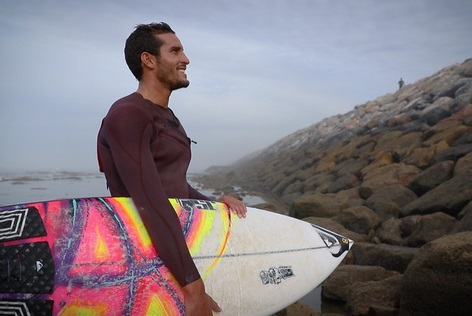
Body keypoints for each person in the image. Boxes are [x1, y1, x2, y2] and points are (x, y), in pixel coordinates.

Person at [97, 22, 247, 315]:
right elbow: (149, 200)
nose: (186, 59)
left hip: (175, 244)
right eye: (175, 51)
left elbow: (172, 184)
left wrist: (212, 203)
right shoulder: (128, 114)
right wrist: (193, 288)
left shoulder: (166, 116)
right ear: (149, 60)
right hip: (146, 251)